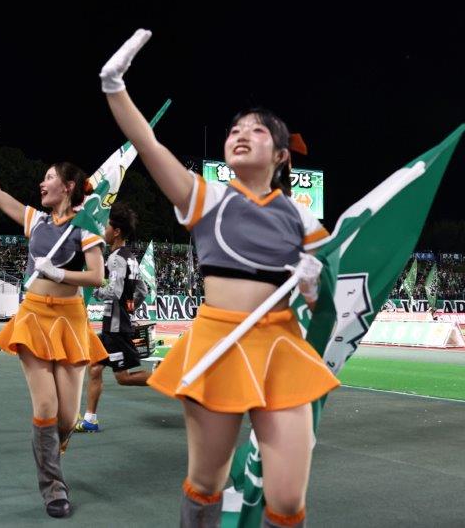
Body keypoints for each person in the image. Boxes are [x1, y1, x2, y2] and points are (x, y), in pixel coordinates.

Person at [100, 30, 339, 527]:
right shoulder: (204, 197)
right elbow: (146, 143)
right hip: (217, 342)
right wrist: (114, 87)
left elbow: (326, 310)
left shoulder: (303, 219)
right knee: (207, 482)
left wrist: (316, 284)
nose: (240, 134)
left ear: (281, 155)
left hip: (281, 348)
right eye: (235, 129)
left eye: (258, 130)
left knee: (288, 499)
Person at [0, 121, 107, 518]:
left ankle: (52, 444)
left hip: (71, 321)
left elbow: (97, 276)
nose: (41, 183)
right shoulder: (35, 220)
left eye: (49, 178)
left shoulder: (87, 225)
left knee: (66, 419)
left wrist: (60, 274)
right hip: (34, 315)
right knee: (46, 405)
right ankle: (53, 488)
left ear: (68, 187)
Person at [75, 202, 149, 433]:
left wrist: (94, 288)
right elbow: (142, 290)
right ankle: (90, 420)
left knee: (123, 378)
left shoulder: (116, 258)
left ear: (116, 231)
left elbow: (114, 292)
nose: (103, 230)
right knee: (95, 368)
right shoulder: (131, 257)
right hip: (116, 324)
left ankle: (169, 379)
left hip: (116, 328)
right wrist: (129, 309)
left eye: (106, 226)